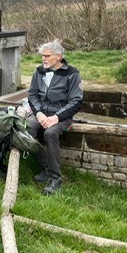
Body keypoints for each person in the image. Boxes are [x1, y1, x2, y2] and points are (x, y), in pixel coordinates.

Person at [27, 40, 83, 195]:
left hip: (62, 115)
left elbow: (76, 101)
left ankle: (55, 179)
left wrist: (57, 117)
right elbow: (32, 95)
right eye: (42, 56)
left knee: (50, 133)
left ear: (59, 56)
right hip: (41, 113)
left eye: (47, 56)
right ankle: (45, 166)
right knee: (27, 128)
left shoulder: (72, 73)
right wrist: (39, 113)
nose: (43, 59)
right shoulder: (39, 71)